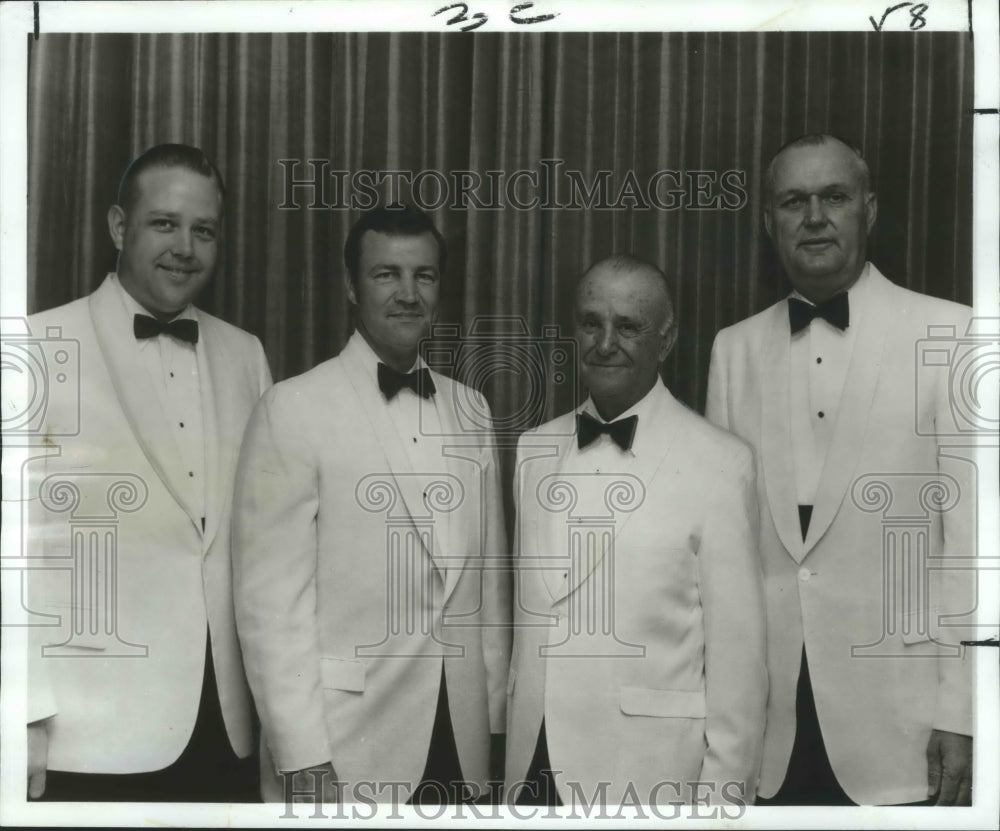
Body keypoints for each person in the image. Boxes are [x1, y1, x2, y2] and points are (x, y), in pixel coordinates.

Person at [706, 134, 975, 806]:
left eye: (835, 196)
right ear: (770, 221)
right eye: (794, 201)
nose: (815, 215)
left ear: (870, 209)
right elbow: (722, 557)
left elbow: (974, 547)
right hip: (769, 728)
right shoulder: (732, 350)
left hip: (903, 727)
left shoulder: (955, 335)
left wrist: (964, 711)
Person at [232, 205, 510, 806]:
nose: (408, 294)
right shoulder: (293, 408)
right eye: (387, 274)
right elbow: (270, 607)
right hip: (344, 744)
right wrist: (303, 756)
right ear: (352, 286)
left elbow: (487, 585)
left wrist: (492, 721)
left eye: (425, 276)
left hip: (461, 745)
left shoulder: (472, 409)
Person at [23, 144, 272, 801]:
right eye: (164, 223)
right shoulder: (32, 349)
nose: (185, 247)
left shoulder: (247, 355)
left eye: (204, 230)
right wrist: (18, 716)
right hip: (89, 737)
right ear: (116, 226)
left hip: (228, 726)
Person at [505, 255, 767, 808]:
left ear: (666, 341)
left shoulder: (722, 463)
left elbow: (738, 669)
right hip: (531, 765)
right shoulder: (533, 450)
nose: (604, 343)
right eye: (590, 323)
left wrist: (720, 811)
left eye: (628, 326)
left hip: (647, 772)